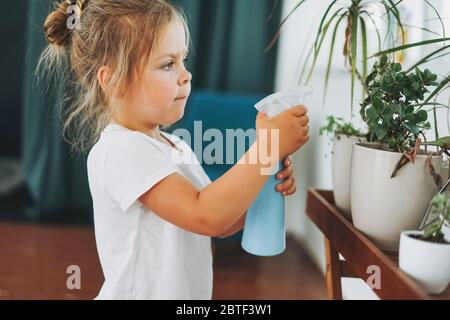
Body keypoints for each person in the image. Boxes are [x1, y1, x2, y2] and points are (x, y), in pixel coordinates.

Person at [39, 0, 309, 299]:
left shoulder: (176, 146)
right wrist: (267, 149)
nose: (185, 75)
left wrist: (262, 185)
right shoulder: (122, 150)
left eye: (183, 60)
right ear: (113, 80)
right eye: (168, 64)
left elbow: (221, 222)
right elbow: (205, 214)